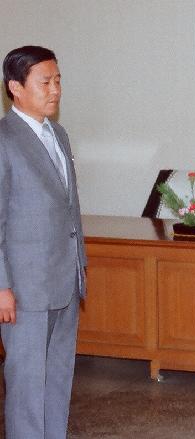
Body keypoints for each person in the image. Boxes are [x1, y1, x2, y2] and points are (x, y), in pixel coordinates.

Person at [0, 45, 87, 439]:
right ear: (15, 88)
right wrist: (2, 287)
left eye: (58, 81)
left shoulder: (59, 135)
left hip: (64, 281)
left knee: (57, 381)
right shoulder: (4, 140)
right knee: (26, 389)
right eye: (45, 82)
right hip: (24, 289)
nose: (55, 90)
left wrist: (79, 268)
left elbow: (69, 208)